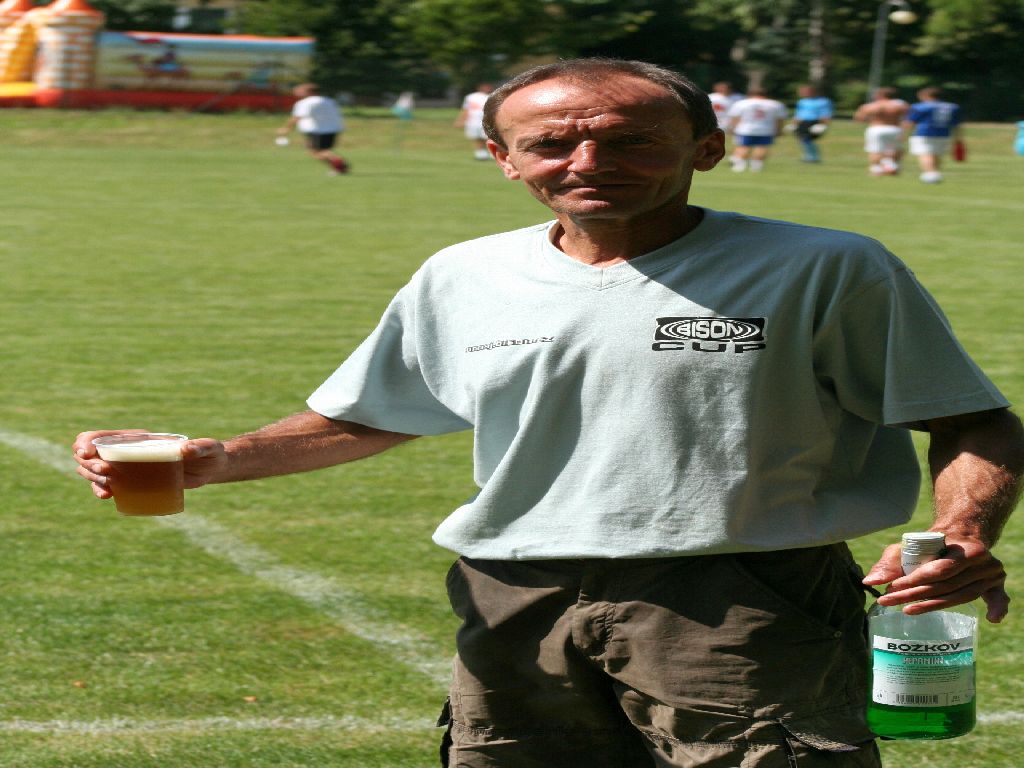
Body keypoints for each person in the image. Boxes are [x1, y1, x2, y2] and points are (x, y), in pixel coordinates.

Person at [73, 58, 1024, 768]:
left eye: (631, 139)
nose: (588, 161)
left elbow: (971, 419)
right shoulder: (463, 274)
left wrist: (961, 534)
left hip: (740, 598)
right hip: (512, 599)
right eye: (551, 143)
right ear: (501, 157)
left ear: (708, 148)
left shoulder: (825, 266)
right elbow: (372, 413)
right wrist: (214, 458)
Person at [278, 83, 349, 175]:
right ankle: (338, 167)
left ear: (309, 92)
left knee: (315, 151)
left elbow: (297, 117)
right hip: (333, 128)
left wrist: (286, 128)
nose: (296, 92)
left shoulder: (305, 103)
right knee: (322, 150)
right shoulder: (329, 101)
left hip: (317, 130)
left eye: (300, 90)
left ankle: (338, 162)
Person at [904, 86, 962, 184]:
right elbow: (956, 124)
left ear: (926, 95)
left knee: (925, 154)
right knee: (936, 154)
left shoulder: (920, 107)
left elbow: (910, 122)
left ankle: (931, 174)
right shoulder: (952, 107)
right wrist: (958, 137)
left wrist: (904, 133)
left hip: (924, 133)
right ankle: (935, 173)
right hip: (944, 133)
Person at [726, 86, 787, 172]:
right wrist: (779, 130)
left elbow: (735, 117)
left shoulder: (742, 103)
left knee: (743, 147)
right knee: (761, 147)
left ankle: (739, 166)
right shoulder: (775, 104)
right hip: (766, 129)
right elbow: (779, 119)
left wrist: (732, 128)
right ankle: (756, 167)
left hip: (745, 129)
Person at [854, 87, 910, 176]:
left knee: (875, 150)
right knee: (895, 149)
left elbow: (859, 119)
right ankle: (893, 166)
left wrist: (871, 119)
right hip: (894, 128)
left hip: (876, 128)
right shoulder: (901, 106)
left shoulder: (871, 106)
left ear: (879, 95)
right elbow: (908, 118)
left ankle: (876, 169)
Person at [790, 84, 833, 163]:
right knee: (802, 140)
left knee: (807, 139)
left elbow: (826, 114)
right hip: (803, 122)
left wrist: (824, 125)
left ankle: (813, 157)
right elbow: (798, 114)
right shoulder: (802, 102)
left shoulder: (823, 101)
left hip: (815, 121)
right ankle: (809, 156)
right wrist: (794, 123)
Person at [455, 82, 494, 160]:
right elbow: (466, 110)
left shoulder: (492, 97)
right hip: (472, 122)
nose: (487, 88)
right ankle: (481, 154)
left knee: (488, 137)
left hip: (486, 122)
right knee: (476, 138)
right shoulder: (471, 97)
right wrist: (460, 120)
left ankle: (492, 153)